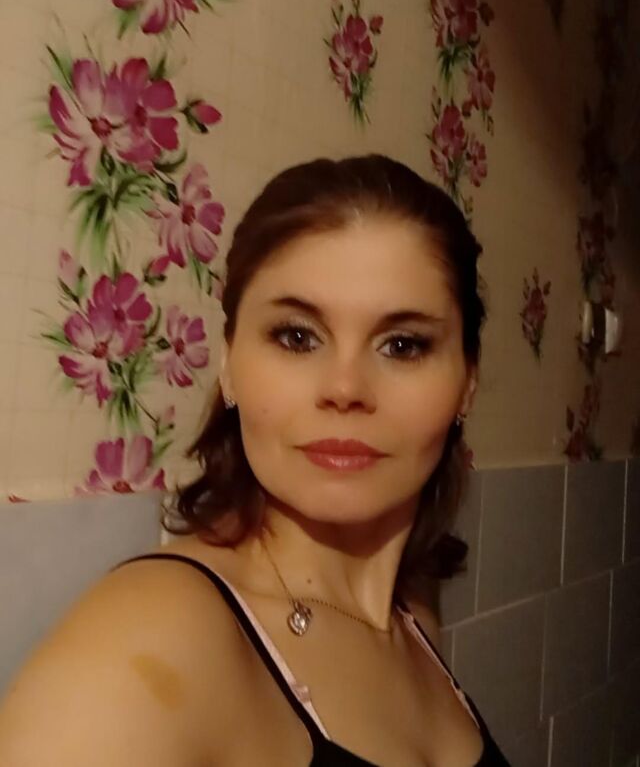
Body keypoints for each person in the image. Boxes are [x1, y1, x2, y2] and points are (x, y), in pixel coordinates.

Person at [0, 154, 510, 765]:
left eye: (402, 345)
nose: (345, 387)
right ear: (229, 365)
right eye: (297, 336)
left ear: (467, 383)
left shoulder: (412, 616)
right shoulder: (153, 632)